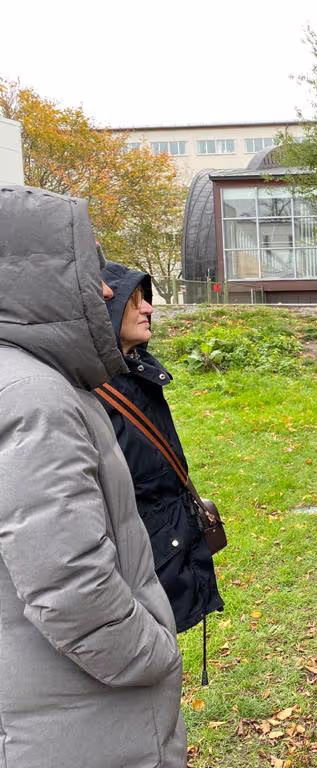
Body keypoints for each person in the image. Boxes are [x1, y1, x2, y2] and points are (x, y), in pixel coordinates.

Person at [0, 186, 185, 766]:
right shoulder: (35, 398)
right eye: (88, 269)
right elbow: (70, 584)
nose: (106, 289)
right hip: (85, 716)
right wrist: (151, 651)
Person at [98, 262, 223, 637]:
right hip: (133, 571)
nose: (149, 309)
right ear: (106, 311)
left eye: (146, 300)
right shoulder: (93, 393)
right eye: (134, 301)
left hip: (165, 554)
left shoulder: (138, 373)